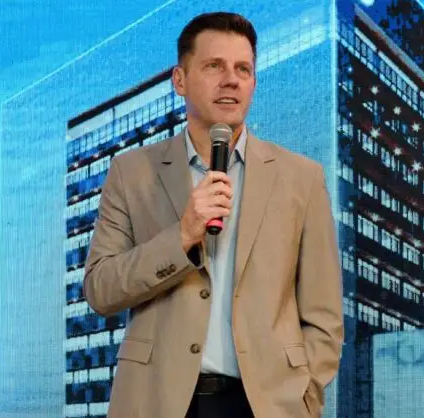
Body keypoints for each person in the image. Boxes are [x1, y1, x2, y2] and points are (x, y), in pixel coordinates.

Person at [83, 11, 343, 418]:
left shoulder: (301, 179)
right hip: (157, 402)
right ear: (180, 80)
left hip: (266, 405)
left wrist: (305, 395)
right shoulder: (131, 172)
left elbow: (324, 315)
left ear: (253, 82)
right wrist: (182, 237)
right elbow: (100, 289)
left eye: (243, 69)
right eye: (214, 66)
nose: (231, 80)